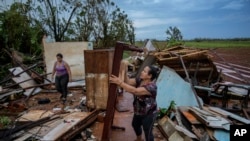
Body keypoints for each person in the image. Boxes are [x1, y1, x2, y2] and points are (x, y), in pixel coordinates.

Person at [110, 65, 158, 141]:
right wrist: (124, 69)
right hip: (138, 111)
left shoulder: (152, 87)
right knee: (135, 125)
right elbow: (128, 81)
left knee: (148, 132)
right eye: (143, 70)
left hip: (149, 114)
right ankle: (139, 139)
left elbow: (135, 91)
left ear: (150, 76)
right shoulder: (140, 80)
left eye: (144, 71)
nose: (142, 72)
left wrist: (119, 82)